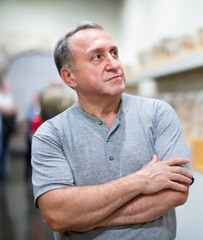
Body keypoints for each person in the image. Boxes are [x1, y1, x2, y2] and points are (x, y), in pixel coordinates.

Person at [31, 22, 194, 239]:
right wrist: (141, 180)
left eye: (114, 53)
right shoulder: (50, 135)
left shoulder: (157, 113)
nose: (114, 64)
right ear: (70, 77)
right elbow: (57, 214)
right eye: (97, 57)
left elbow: (176, 193)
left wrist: (83, 219)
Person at [0, 71, 16, 180]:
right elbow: (5, 109)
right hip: (3, 126)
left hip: (7, 127)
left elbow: (13, 109)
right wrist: (9, 110)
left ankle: (3, 171)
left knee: (5, 149)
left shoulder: (8, 95)